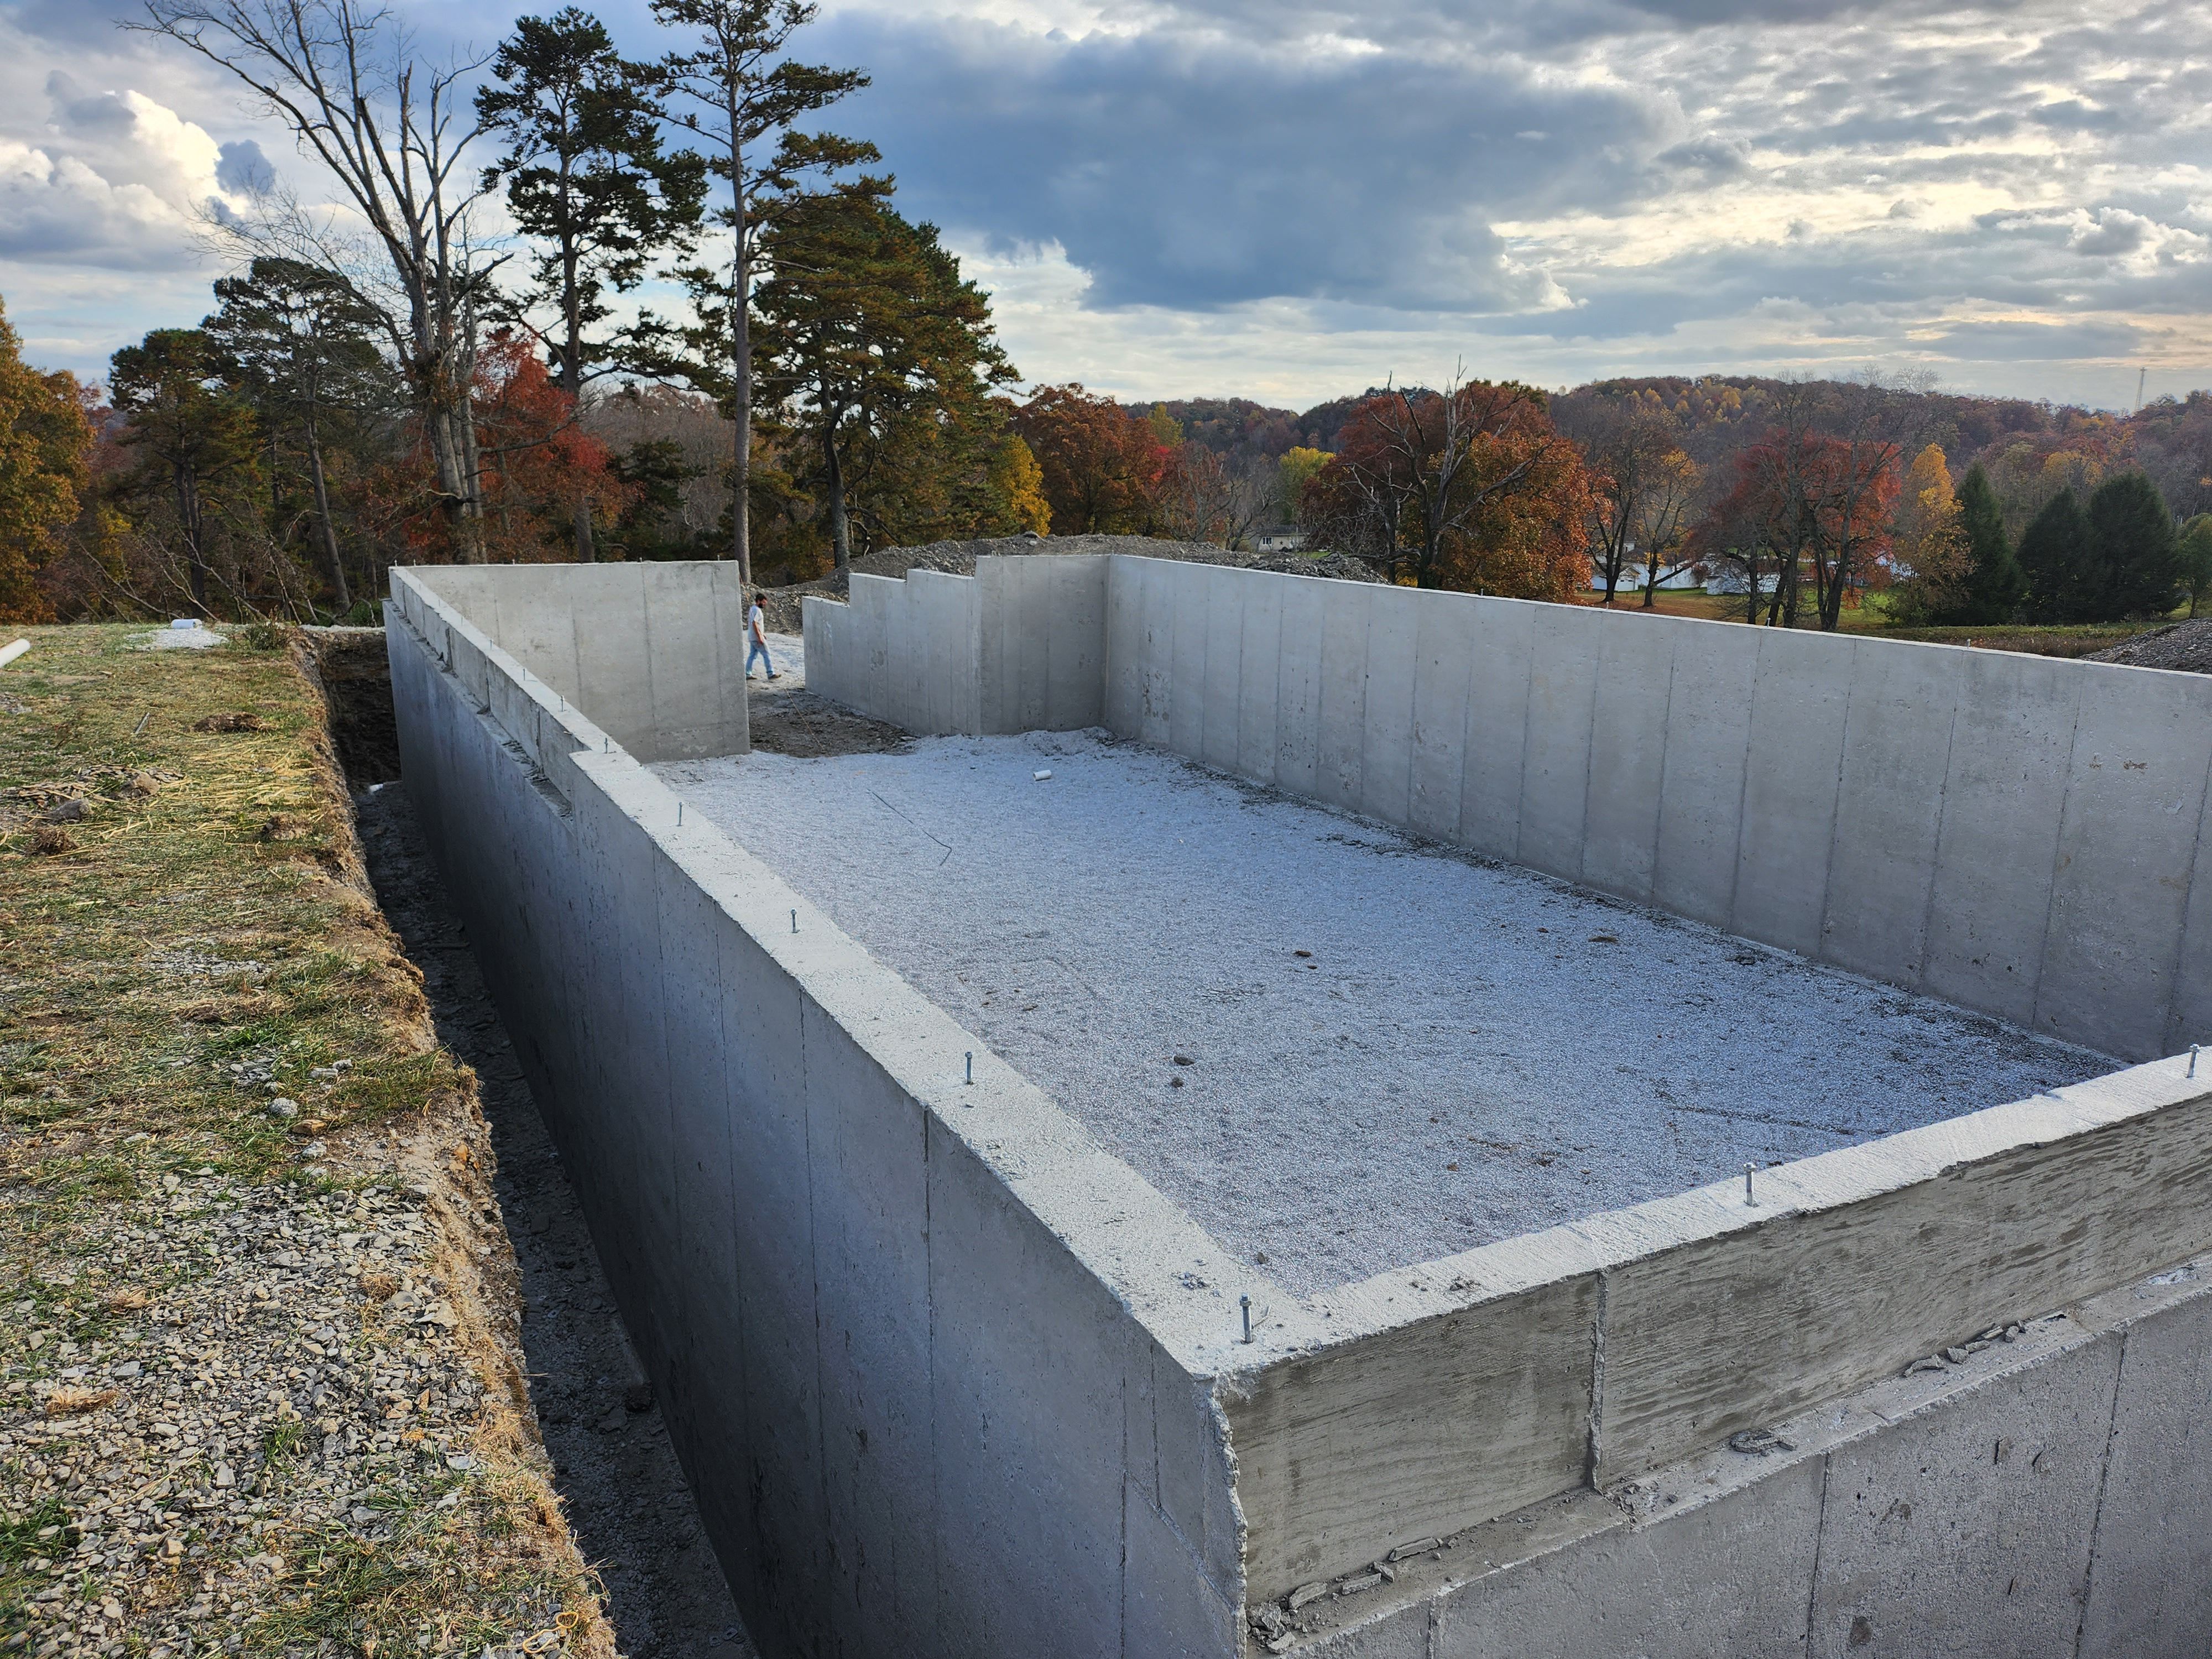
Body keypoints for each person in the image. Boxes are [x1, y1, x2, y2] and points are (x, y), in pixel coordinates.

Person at [745, 593, 779, 681]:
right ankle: (771, 673)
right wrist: (760, 636)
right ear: (759, 601)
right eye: (763, 603)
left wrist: (762, 633)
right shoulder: (756, 610)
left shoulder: (753, 609)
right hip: (756, 638)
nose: (764, 605)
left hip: (752, 637)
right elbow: (754, 623)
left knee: (752, 655)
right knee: (767, 654)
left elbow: (756, 624)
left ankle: (748, 673)